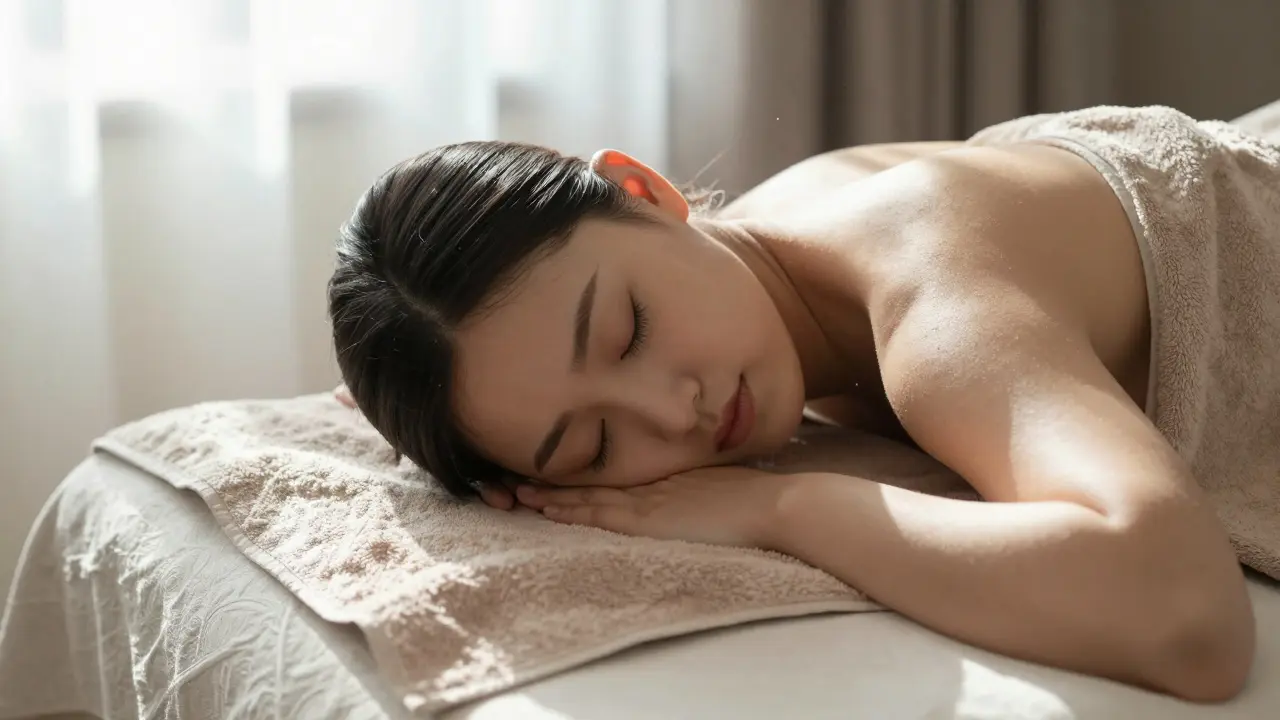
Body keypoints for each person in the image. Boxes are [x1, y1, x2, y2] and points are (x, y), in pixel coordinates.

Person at [328, 106, 1270, 701]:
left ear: (644, 190)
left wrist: (784, 506)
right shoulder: (769, 237)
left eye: (627, 332)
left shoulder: (935, 307)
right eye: (593, 445)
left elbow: (1188, 618)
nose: (675, 412)